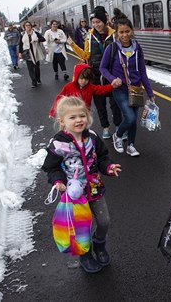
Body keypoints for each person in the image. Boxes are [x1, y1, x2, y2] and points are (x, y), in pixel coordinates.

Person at [42, 96, 122, 274]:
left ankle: (99, 245)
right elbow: (51, 167)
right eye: (72, 117)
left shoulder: (92, 137)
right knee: (80, 227)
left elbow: (102, 156)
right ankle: (84, 254)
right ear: (62, 121)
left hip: (94, 188)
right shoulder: (58, 144)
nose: (79, 120)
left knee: (104, 221)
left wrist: (108, 167)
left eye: (82, 116)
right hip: (75, 195)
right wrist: (58, 181)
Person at [99, 18, 155, 157]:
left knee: (133, 120)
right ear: (117, 33)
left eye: (127, 31)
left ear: (132, 31)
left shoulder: (137, 48)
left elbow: (142, 71)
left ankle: (131, 145)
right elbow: (103, 68)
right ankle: (118, 136)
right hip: (120, 90)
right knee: (129, 117)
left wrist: (150, 92)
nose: (125, 35)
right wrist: (113, 79)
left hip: (136, 89)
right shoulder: (111, 48)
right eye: (121, 32)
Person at [67, 7, 122, 139]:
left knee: (115, 103)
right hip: (96, 75)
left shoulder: (114, 34)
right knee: (100, 104)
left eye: (98, 21)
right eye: (94, 22)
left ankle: (119, 126)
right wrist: (73, 45)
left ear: (104, 21)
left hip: (111, 74)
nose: (96, 25)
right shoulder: (89, 36)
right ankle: (105, 127)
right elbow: (86, 55)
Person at [48, 63, 121, 118]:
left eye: (86, 79)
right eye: (81, 78)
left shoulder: (90, 87)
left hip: (84, 113)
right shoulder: (69, 86)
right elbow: (59, 98)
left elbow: (101, 89)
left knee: (84, 129)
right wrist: (53, 111)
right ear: (77, 76)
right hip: (71, 113)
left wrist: (112, 86)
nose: (84, 81)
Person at [18, 20, 46, 88]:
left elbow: (43, 39)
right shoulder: (22, 34)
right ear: (24, 27)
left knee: (36, 68)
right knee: (30, 69)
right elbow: (20, 44)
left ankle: (38, 79)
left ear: (31, 26)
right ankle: (34, 82)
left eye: (29, 25)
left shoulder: (35, 33)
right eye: (26, 26)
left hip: (36, 52)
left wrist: (36, 40)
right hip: (27, 53)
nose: (28, 27)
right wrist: (20, 53)